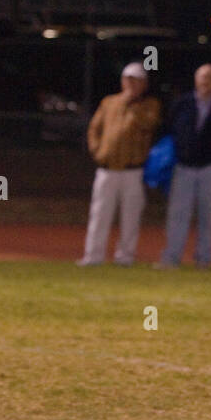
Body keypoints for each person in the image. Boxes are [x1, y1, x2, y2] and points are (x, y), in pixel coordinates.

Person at [157, 64, 211, 268]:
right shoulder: (182, 104)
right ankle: (171, 258)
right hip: (183, 167)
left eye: (210, 77)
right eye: (202, 77)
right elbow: (168, 130)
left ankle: (203, 259)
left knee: (207, 215)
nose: (205, 81)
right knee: (178, 214)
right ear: (196, 80)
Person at [77, 61, 160, 267]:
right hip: (107, 169)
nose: (131, 84)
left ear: (144, 84)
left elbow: (149, 124)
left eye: (136, 81)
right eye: (128, 80)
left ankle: (125, 257)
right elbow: (94, 129)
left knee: (130, 216)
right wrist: (98, 151)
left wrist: (133, 105)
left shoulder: (149, 105)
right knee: (99, 214)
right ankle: (93, 256)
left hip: (133, 171)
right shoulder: (109, 102)